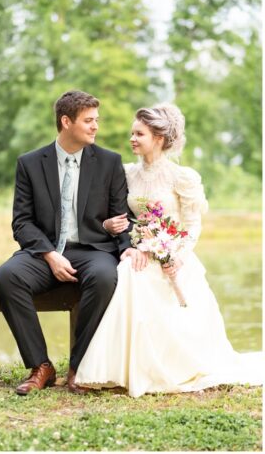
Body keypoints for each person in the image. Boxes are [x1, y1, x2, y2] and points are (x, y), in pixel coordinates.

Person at [75, 104, 265, 397]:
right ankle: (120, 368)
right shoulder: (126, 174)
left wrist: (176, 255)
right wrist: (113, 228)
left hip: (174, 256)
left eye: (139, 134)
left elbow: (192, 225)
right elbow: (117, 217)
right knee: (128, 272)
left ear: (159, 138)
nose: (132, 139)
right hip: (140, 252)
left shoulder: (182, 177)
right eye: (132, 133)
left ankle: (170, 366)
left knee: (143, 279)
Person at [0, 90, 146, 396]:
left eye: (96, 120)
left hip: (94, 250)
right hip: (44, 252)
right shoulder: (30, 163)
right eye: (88, 121)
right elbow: (21, 222)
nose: (95, 127)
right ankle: (41, 366)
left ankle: (79, 367)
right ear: (66, 122)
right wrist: (50, 254)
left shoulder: (109, 162)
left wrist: (126, 244)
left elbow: (121, 215)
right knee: (6, 277)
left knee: (105, 277)